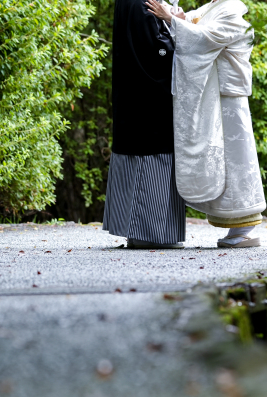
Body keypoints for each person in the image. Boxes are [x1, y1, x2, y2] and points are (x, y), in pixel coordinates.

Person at [146, 0, 266, 248]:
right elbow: (194, 28)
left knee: (237, 159)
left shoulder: (230, 9)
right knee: (223, 160)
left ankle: (245, 227)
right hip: (217, 93)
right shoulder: (212, 7)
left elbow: (206, 39)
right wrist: (180, 19)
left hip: (228, 95)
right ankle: (236, 225)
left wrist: (172, 20)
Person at [103, 0, 186, 249]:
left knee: (135, 159)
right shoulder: (143, 4)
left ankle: (136, 232)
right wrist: (178, 27)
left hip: (132, 97)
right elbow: (157, 51)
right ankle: (148, 234)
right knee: (150, 162)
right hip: (149, 101)